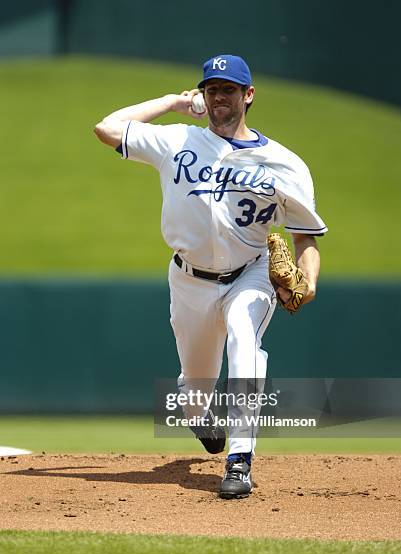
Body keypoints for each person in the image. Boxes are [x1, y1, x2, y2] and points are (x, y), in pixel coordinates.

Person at [94, 54, 327, 499]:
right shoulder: (177, 141)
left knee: (245, 337)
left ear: (248, 95)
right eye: (212, 89)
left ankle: (239, 460)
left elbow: (306, 237)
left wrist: (309, 279)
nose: (219, 97)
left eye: (229, 89)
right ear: (203, 95)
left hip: (251, 275)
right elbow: (106, 128)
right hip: (189, 281)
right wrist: (170, 102)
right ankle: (197, 413)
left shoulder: (285, 165)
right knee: (196, 391)